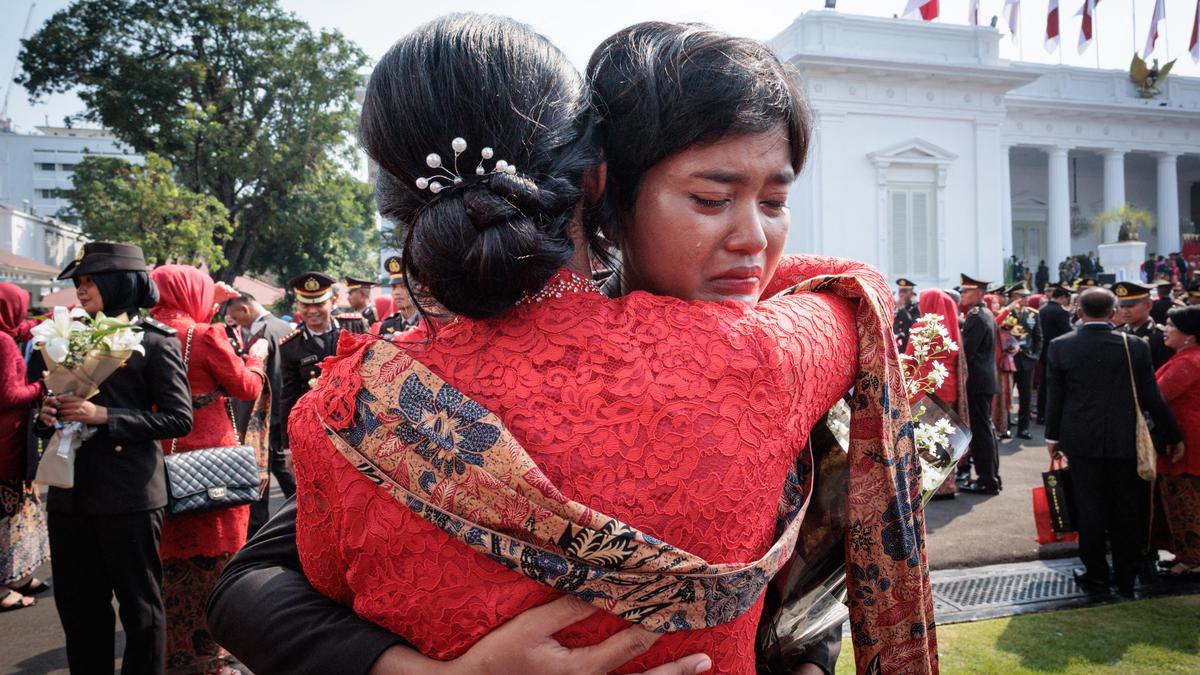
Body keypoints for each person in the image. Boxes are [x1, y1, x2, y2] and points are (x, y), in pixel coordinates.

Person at [213, 16, 936, 675]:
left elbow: (811, 589)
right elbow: (853, 288)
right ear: (603, 188)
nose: (753, 241)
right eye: (711, 198)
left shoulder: (356, 409)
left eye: (775, 202)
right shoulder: (770, 359)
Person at [34, 242, 193, 674]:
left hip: (129, 495)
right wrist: (46, 414)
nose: (81, 291)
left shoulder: (155, 341)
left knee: (141, 610)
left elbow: (180, 419)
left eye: (89, 281)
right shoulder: (65, 336)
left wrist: (106, 416)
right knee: (79, 608)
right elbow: (50, 407)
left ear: (119, 283)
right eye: (79, 282)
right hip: (71, 493)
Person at [149, 265, 268, 674]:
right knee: (217, 564)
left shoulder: (138, 332)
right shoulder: (203, 335)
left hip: (155, 464)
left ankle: (176, 657)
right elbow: (246, 387)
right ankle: (212, 661)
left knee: (167, 568)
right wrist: (256, 357)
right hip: (211, 468)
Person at [1044, 288, 1183, 597]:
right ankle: (1126, 574)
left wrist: (1052, 436)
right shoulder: (1134, 346)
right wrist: (1173, 434)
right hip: (1125, 438)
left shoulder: (1060, 346)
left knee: (1090, 508)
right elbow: (1152, 397)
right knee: (1126, 508)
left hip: (1080, 440)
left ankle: (1096, 573)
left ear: (1079, 311)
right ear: (1113, 312)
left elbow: (1055, 398)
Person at [225, 292, 296, 534]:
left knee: (263, 471)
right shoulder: (283, 325)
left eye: (238, 318)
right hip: (279, 411)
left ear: (245, 309)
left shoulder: (262, 332)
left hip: (265, 414)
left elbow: (271, 376)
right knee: (278, 469)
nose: (239, 325)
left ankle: (262, 530)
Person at [0, 282, 50, 612]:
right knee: (6, 514)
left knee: (19, 509)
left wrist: (49, 320)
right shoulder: (3, 343)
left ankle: (17, 576)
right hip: (5, 442)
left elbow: (22, 329)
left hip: (10, 439)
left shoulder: (6, 335)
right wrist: (42, 385)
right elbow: (8, 396)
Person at [277, 272, 367, 438]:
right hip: (315, 429)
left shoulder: (355, 326)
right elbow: (289, 397)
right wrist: (288, 445)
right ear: (297, 304)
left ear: (333, 301)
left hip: (359, 425)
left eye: (319, 304)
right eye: (305, 305)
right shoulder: (290, 346)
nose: (312, 311)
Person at [1156, 306, 1200, 578]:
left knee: (1186, 500)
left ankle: (1193, 561)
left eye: (1171, 325)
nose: (1165, 329)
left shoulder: (1188, 362)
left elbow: (1159, 394)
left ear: (1189, 334)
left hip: (1187, 441)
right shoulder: (1187, 357)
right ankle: (1185, 555)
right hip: (1186, 436)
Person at [958, 274, 1001, 495]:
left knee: (981, 430)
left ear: (979, 294)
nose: (962, 294)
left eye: (966, 291)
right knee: (987, 428)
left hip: (977, 380)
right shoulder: (985, 314)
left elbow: (968, 353)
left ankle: (986, 479)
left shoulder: (976, 316)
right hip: (985, 379)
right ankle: (992, 476)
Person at [1003, 283, 1041, 440]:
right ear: (1013, 297)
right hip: (1008, 359)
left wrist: (1035, 356)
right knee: (1006, 395)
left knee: (1025, 396)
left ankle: (1023, 428)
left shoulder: (1033, 314)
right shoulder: (1005, 313)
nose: (1026, 299)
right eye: (1022, 296)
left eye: (1027, 296)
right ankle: (1005, 426)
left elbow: (1038, 337)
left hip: (1027, 360)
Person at [1114, 280, 1175, 371]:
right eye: (1122, 306)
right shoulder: (1116, 333)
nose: (1125, 311)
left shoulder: (1161, 337)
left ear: (1148, 305)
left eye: (1130, 306)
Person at [1037, 284, 1074, 424]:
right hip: (1058, 353)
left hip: (1043, 351)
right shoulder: (1060, 312)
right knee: (1055, 384)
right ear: (1062, 297)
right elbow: (1068, 333)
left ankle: (1041, 413)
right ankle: (1050, 415)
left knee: (1043, 384)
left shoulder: (1042, 310)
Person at [376, 256, 419, 337]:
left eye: (404, 286)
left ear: (416, 288)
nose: (397, 292)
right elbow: (379, 350)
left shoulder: (428, 323)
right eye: (394, 287)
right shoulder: (386, 325)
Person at [893, 278, 918, 352]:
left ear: (912, 293)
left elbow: (913, 325)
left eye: (904, 291)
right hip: (897, 346)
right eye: (900, 291)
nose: (901, 294)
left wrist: (902, 310)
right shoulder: (897, 308)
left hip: (909, 346)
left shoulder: (916, 307)